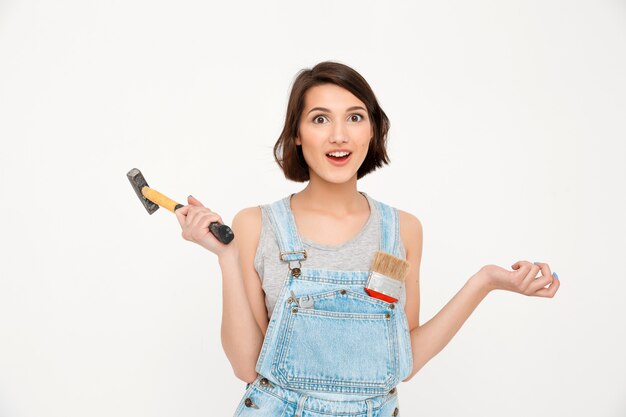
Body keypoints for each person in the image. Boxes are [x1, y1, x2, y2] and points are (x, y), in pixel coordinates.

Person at [174, 61, 560, 417]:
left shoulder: (401, 230)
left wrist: (486, 281)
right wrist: (226, 257)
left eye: (355, 118)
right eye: (320, 119)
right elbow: (245, 365)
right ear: (296, 133)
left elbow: (403, 363)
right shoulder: (257, 225)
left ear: (373, 129)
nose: (339, 136)